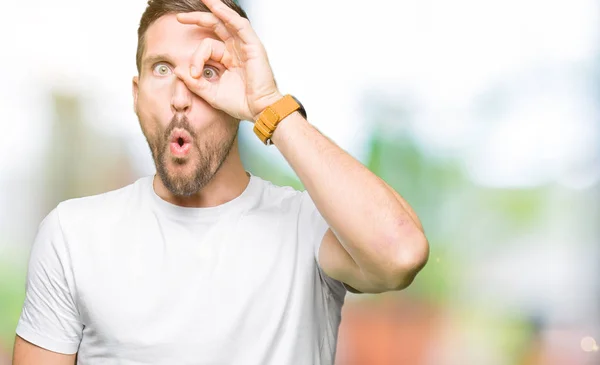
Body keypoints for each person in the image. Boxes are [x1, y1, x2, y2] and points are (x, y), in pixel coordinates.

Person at [12, 0, 429, 364]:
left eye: (208, 71)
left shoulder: (307, 226)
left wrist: (270, 106)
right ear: (136, 95)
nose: (181, 96)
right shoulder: (73, 234)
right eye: (162, 69)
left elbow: (401, 253)